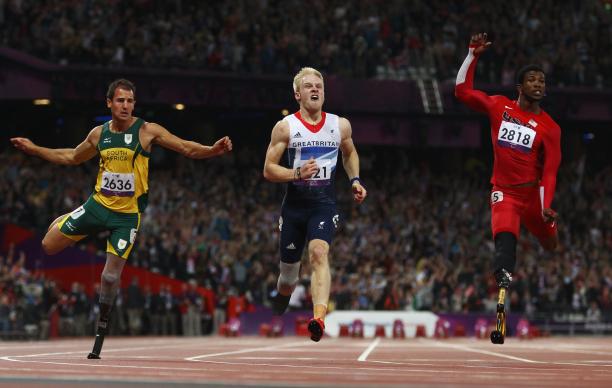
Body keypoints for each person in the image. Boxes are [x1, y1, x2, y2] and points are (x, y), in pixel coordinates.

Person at [10, 78, 232, 357]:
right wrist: (34, 149)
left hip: (126, 217)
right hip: (97, 207)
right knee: (48, 246)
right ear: (109, 103)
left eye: (130, 101)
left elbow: (186, 147)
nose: (125, 105)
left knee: (110, 277)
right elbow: (71, 157)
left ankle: (103, 320)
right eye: (120, 100)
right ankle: (69, 215)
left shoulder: (147, 131)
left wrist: (212, 150)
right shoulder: (98, 134)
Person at [455, 33, 561, 344]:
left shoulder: (551, 129)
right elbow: (462, 91)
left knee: (552, 245)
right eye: (532, 80)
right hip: (505, 193)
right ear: (520, 87)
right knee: (505, 240)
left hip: (533, 198)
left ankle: (546, 229)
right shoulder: (499, 107)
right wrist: (472, 55)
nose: (539, 84)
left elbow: (551, 172)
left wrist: (546, 205)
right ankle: (502, 285)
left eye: (542, 80)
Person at [263, 67, 367, 342]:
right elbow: (269, 170)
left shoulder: (339, 125)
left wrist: (355, 179)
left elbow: (350, 152)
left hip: (324, 205)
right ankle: (282, 297)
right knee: (288, 278)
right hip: (294, 209)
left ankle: (318, 318)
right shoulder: (285, 127)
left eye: (319, 86)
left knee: (319, 252)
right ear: (297, 94)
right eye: (308, 86)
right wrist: (296, 174)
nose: (315, 90)